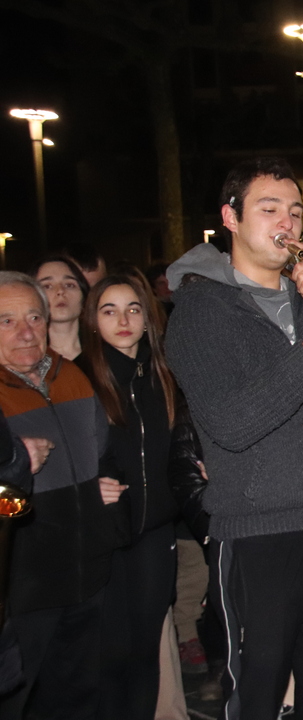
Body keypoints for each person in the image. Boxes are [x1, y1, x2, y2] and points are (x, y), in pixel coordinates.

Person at [164, 157, 303, 719]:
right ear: (231, 218)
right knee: (256, 702)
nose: (287, 222)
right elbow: (231, 425)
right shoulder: (200, 311)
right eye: (269, 209)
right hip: (258, 540)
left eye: (295, 211)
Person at [0, 272, 124, 719]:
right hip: (21, 590)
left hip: (86, 576)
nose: (25, 332)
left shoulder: (70, 375)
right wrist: (14, 459)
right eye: (6, 321)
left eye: (34, 317)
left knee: (77, 699)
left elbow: (101, 450)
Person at [77, 275, 180, 720]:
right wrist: (86, 486)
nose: (124, 320)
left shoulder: (164, 374)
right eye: (109, 310)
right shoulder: (79, 378)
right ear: (92, 321)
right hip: (105, 536)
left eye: (133, 309)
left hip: (156, 532)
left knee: (144, 650)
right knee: (110, 654)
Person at [33, 254, 90, 361]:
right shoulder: (24, 360)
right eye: (47, 286)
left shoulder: (106, 355)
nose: (60, 291)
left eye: (69, 285)